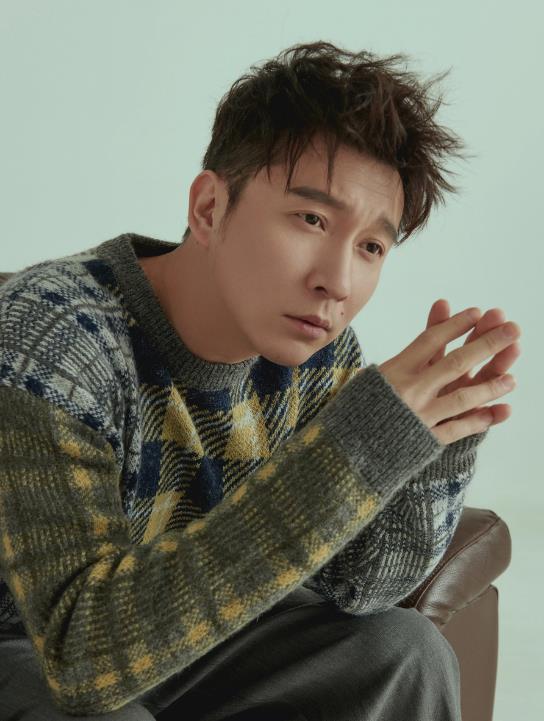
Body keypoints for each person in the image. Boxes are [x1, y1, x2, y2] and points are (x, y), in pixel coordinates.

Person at [0, 40, 520, 720]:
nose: (337, 281)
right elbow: (79, 656)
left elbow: (360, 586)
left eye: (371, 246)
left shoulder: (314, 350)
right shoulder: (56, 334)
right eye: (312, 219)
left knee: (405, 649)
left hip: (169, 642)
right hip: (31, 644)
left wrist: (433, 443)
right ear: (209, 208)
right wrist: (353, 447)